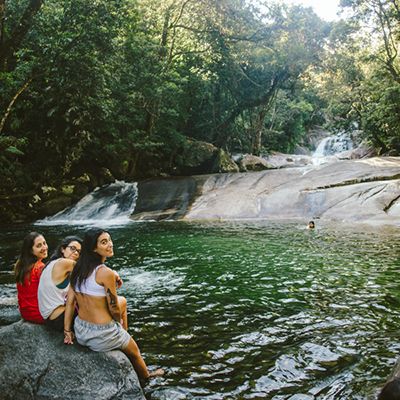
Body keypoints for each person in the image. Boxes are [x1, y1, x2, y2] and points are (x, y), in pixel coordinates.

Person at [64, 228, 164, 381]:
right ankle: (147, 377)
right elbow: (114, 308)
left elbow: (70, 303)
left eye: (109, 240)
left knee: (122, 300)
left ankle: (122, 334)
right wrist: (118, 322)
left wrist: (67, 330)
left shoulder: (77, 269)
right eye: (104, 242)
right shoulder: (105, 273)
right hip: (102, 335)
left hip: (82, 331)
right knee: (135, 352)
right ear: (93, 248)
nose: (110, 244)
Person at [38, 236, 82, 331]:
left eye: (79, 252)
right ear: (63, 249)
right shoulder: (64, 263)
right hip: (60, 318)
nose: (75, 253)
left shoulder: (52, 263)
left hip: (51, 320)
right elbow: (91, 270)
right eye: (72, 248)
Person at [14, 232, 48, 324]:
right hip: (40, 315)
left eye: (44, 243)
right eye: (39, 246)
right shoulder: (40, 267)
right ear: (30, 250)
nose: (44, 248)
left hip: (25, 313)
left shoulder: (20, 265)